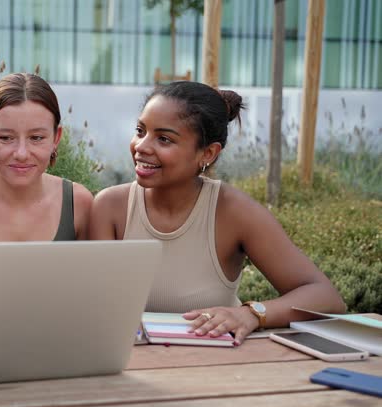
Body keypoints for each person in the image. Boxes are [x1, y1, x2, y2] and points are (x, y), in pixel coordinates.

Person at [88, 81, 346, 344]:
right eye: (140, 131)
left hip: (215, 366)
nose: (141, 146)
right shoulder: (110, 207)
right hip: (130, 363)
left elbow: (325, 296)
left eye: (164, 138)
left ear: (208, 153)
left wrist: (252, 314)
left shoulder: (235, 213)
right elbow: (95, 307)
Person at [0, 73, 93, 242]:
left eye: (36, 138)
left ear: (56, 138)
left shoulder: (79, 204)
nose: (21, 154)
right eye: (6, 138)